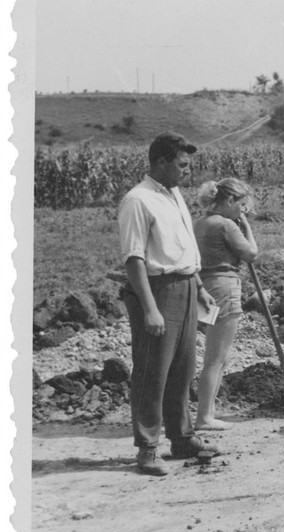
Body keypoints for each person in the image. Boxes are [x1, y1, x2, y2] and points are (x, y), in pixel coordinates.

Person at [118, 131, 220, 476]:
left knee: (182, 369)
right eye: (182, 164)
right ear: (161, 162)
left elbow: (183, 246)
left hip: (186, 286)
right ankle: (147, 449)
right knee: (153, 372)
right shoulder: (138, 200)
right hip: (157, 290)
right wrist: (149, 308)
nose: (187, 171)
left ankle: (182, 438)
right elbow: (134, 258)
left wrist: (199, 286)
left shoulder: (174, 195)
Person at [193, 178, 258, 430]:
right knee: (217, 358)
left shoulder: (200, 223)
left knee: (214, 356)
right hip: (224, 288)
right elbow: (251, 253)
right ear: (229, 200)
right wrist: (246, 226)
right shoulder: (225, 225)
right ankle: (204, 417)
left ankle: (206, 412)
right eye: (241, 205)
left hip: (204, 287)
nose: (243, 210)